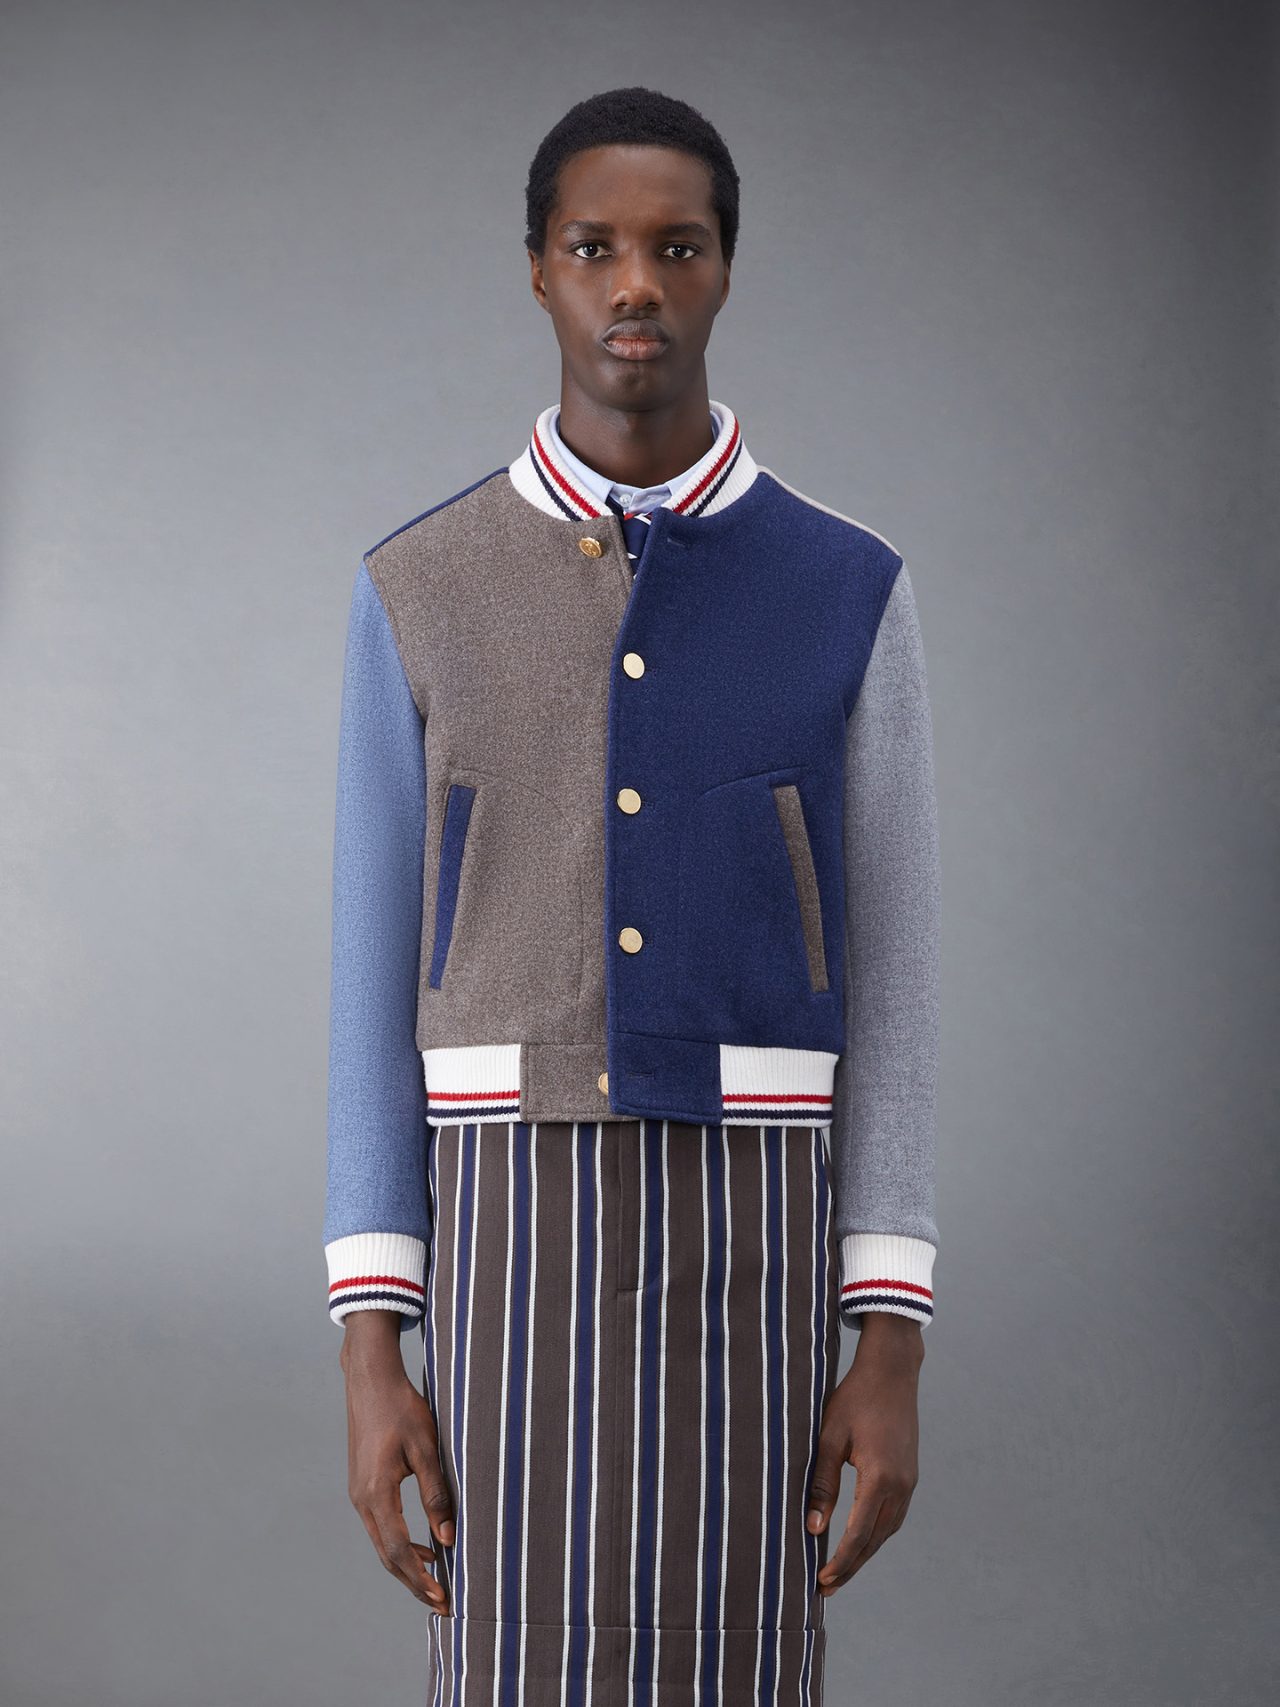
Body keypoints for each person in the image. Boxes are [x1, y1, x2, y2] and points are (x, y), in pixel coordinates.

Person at [323, 84, 940, 1707]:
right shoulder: (419, 588)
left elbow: (898, 975)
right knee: (511, 1661)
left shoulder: (847, 589)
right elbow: (370, 975)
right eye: (594, 247)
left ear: (728, 267)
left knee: (741, 1658)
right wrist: (373, 1339)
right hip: (502, 1227)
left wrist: (890, 1332)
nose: (636, 285)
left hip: (758, 1226)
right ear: (537, 268)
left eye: (678, 246)